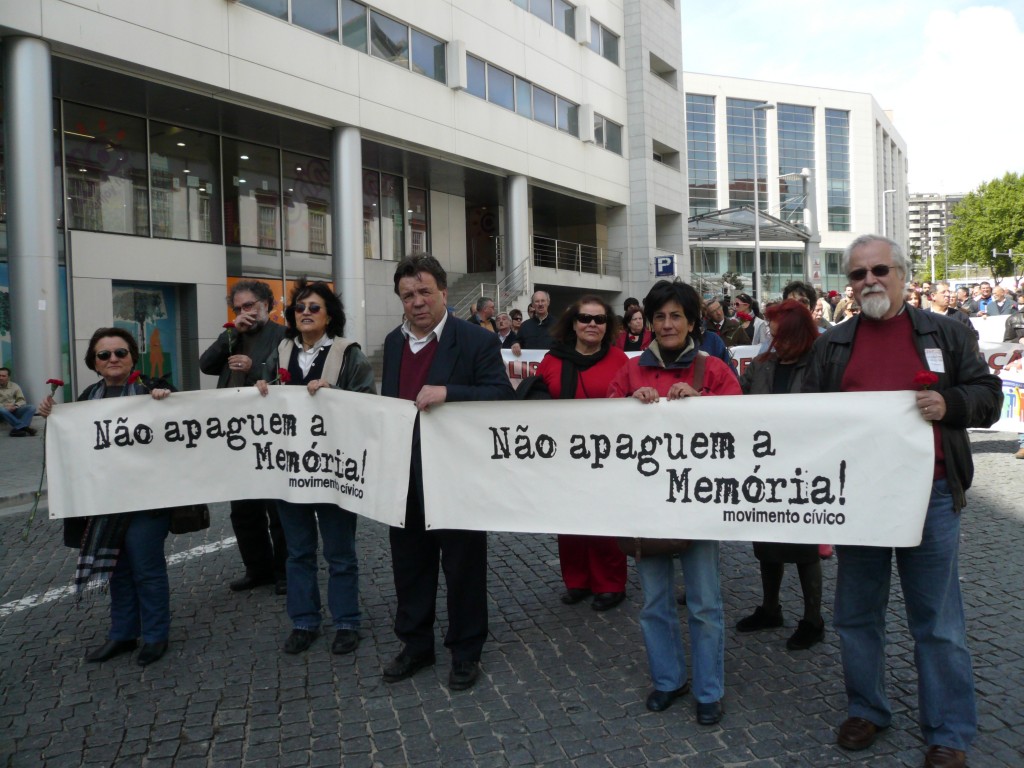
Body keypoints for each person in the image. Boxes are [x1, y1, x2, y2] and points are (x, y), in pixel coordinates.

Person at [803, 234, 1001, 768]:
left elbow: (990, 398)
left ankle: (948, 732)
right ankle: (866, 708)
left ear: (903, 276)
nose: (868, 280)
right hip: (859, 498)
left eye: (879, 270)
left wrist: (950, 401)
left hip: (931, 495)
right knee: (856, 613)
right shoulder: (833, 344)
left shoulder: (949, 333)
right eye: (857, 273)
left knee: (937, 620)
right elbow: (807, 420)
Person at [608, 279, 741, 725]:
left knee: (704, 603)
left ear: (690, 322)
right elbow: (604, 425)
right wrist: (628, 403)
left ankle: (708, 689)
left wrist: (702, 403)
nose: (667, 324)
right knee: (654, 601)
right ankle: (668, 680)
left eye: (676, 316)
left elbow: (741, 429)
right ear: (648, 321)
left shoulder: (714, 370)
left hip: (698, 506)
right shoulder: (630, 371)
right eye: (659, 316)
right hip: (646, 504)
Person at [381, 254, 514, 691]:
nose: (417, 302)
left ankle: (465, 650)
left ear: (442, 292)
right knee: (410, 566)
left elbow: (499, 396)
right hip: (406, 476)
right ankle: (416, 644)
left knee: (463, 567)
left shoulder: (475, 341)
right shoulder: (394, 343)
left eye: (424, 292)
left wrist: (448, 393)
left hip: (457, 475)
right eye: (407, 295)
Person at [38, 328, 174, 666]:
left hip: (147, 500)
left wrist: (167, 399)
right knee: (117, 570)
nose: (113, 359)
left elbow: (180, 429)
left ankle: (156, 636)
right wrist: (52, 418)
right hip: (105, 501)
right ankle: (123, 634)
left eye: (120, 353)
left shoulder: (153, 389)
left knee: (147, 568)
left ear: (132, 357)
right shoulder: (86, 399)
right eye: (104, 355)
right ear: (94, 364)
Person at [254, 279, 374, 656]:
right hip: (292, 468)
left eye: (314, 307)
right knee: (298, 551)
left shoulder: (347, 353)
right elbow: (269, 402)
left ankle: (346, 621)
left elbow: (367, 402)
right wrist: (261, 388)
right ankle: (304, 620)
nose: (305, 312)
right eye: (300, 307)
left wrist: (336, 396)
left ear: (329, 315)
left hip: (333, 468)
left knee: (340, 552)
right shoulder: (281, 351)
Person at [737, 300, 825, 651]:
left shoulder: (819, 367)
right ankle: (770, 608)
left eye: (781, 335)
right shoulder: (761, 367)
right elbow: (735, 401)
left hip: (806, 470)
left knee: (805, 550)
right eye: (773, 335)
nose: (775, 341)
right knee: (767, 544)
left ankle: (813, 619)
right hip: (766, 469)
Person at [536, 296, 629, 611]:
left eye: (599, 319)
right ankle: (577, 581)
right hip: (564, 456)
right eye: (585, 318)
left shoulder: (620, 361)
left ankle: (610, 584)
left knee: (606, 522)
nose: (592, 324)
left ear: (608, 326)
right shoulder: (552, 361)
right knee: (570, 522)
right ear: (573, 323)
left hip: (608, 456)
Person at [199, 280, 289, 595]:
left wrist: (255, 369)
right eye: (238, 308)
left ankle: (285, 572)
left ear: (268, 304)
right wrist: (232, 332)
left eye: (249, 305)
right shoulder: (233, 335)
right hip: (236, 435)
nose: (244, 313)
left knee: (277, 508)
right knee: (243, 510)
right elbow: (206, 364)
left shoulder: (283, 336)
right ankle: (257, 569)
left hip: (271, 434)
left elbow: (286, 375)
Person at [0, 367, 37, 436]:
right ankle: (24, 427)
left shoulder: (14, 386)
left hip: (12, 410)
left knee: (32, 407)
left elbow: (22, 400)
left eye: (3, 376)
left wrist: (16, 406)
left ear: (8, 377)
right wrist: (5, 407)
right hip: (1, 413)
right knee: (2, 409)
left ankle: (17, 429)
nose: (1, 378)